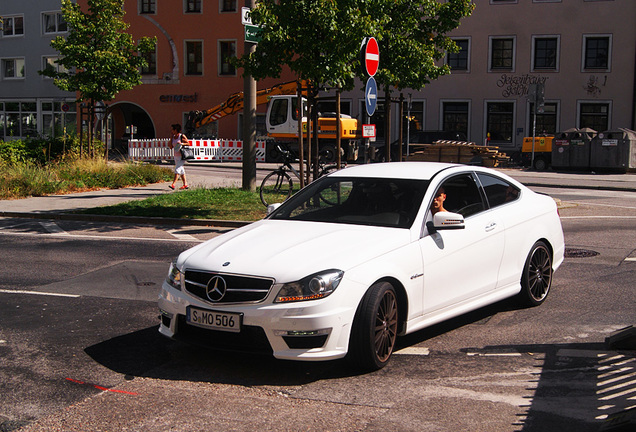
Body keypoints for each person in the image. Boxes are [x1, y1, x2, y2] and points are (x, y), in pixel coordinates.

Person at [168, 123, 189, 190]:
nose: (171, 131)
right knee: (181, 170)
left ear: (176, 130)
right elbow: (170, 147)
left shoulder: (181, 136)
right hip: (176, 155)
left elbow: (188, 143)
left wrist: (182, 143)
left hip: (182, 156)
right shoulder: (173, 137)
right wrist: (171, 138)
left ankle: (173, 184)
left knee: (177, 169)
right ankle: (185, 184)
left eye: (172, 130)